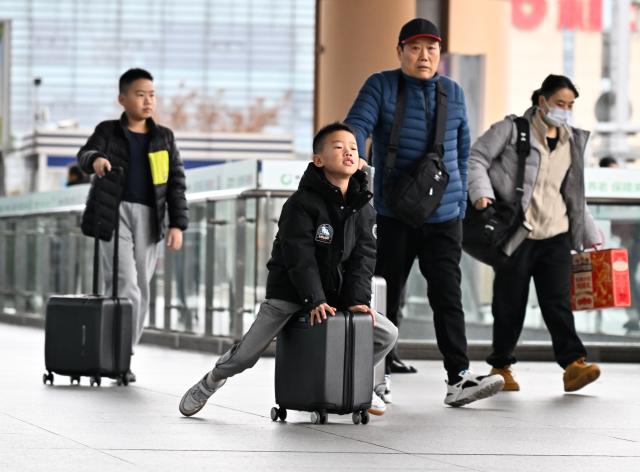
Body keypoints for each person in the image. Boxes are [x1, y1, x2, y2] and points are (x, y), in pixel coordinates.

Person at [179, 122, 398, 417]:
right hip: (290, 291)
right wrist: (314, 299)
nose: (348, 152)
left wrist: (357, 300)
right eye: (338, 147)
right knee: (247, 354)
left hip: (334, 295)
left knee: (386, 334)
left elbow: (364, 259)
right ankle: (210, 381)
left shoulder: (364, 208)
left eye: (353, 148)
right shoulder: (300, 204)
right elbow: (300, 257)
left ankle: (356, 382)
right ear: (318, 160)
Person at [345, 18, 504, 407]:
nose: (424, 55)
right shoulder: (380, 85)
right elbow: (357, 126)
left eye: (432, 48)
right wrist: (350, 161)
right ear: (399, 51)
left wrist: (461, 202)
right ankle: (372, 378)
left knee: (449, 297)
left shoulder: (453, 92)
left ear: (440, 55)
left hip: (445, 217)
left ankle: (458, 378)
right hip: (392, 214)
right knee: (383, 297)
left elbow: (463, 150)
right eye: (415, 47)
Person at [468, 74, 603, 392]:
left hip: (555, 232)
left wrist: (589, 231)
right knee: (509, 302)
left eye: (570, 105)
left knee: (557, 301)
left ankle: (573, 364)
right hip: (518, 232)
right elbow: (476, 157)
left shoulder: (572, 140)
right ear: (542, 101)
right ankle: (501, 366)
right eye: (560, 103)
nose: (566, 110)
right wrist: (481, 193)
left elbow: (572, 193)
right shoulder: (512, 130)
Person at [78, 68, 188, 382]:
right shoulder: (108, 131)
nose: (147, 100)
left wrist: (177, 225)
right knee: (124, 285)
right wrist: (96, 158)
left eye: (151, 94)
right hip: (114, 214)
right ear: (122, 98)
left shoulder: (163, 137)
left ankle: (123, 354)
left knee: (142, 288)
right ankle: (118, 358)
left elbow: (175, 183)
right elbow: (84, 154)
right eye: (140, 95)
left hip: (151, 218)